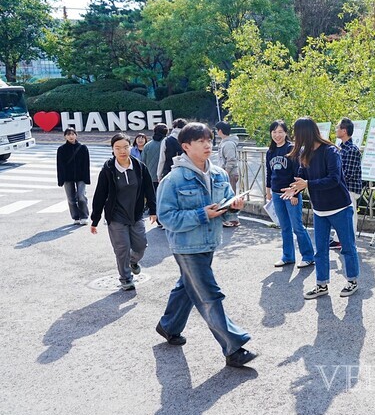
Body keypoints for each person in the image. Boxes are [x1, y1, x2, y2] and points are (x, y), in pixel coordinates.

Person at [155, 122, 257, 368]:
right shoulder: (174, 180)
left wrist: (232, 209)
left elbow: (223, 210)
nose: (207, 145)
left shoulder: (219, 174)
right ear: (185, 147)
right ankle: (233, 347)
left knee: (187, 287)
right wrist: (202, 214)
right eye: (200, 141)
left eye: (209, 140)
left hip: (209, 242)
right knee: (208, 295)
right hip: (186, 246)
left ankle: (168, 326)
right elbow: (166, 217)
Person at [281, 117, 360, 299]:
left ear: (305, 133)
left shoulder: (331, 151)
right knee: (320, 250)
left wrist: (307, 184)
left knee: (347, 247)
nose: (295, 137)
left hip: (340, 207)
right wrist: (294, 189)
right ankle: (321, 284)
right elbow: (301, 177)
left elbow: (334, 179)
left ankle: (352, 280)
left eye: (297, 133)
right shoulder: (304, 153)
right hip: (320, 210)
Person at [91, 133, 157, 291]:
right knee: (122, 249)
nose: (122, 151)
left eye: (125, 147)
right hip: (116, 216)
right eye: (118, 148)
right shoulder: (108, 169)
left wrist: (154, 210)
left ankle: (133, 261)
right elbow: (100, 194)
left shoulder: (140, 167)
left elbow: (149, 189)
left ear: (130, 147)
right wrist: (95, 219)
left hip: (136, 214)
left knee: (141, 246)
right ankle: (126, 278)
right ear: (112, 150)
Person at [266, 120, 315, 267]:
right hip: (276, 193)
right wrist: (268, 191)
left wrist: (295, 193)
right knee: (284, 227)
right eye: (274, 132)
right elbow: (269, 173)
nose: (277, 135)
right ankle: (287, 256)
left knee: (297, 226)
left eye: (280, 132)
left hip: (291, 193)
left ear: (286, 133)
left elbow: (299, 173)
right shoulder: (271, 151)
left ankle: (308, 256)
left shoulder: (292, 149)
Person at [329, 117, 363, 250]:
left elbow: (348, 173)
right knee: (341, 214)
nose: (336, 130)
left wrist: (333, 181)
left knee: (350, 215)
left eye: (337, 128)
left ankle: (349, 242)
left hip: (349, 187)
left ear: (344, 131)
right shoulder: (340, 148)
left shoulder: (352, 149)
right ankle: (339, 240)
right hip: (341, 187)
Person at [56, 128, 91, 225]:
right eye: (68, 134)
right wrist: (60, 179)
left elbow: (86, 164)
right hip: (67, 177)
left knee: (81, 196)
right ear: (65, 136)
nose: (70, 136)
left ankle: (84, 216)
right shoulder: (62, 149)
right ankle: (76, 217)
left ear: (76, 135)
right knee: (71, 199)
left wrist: (87, 178)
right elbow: (60, 165)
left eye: (72, 134)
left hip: (81, 176)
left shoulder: (83, 148)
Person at [215, 121, 241, 228]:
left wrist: (225, 172)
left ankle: (233, 219)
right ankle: (230, 219)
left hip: (229, 174)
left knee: (230, 197)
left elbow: (231, 160)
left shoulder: (228, 144)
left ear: (220, 131)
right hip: (227, 173)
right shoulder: (225, 142)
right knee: (227, 197)